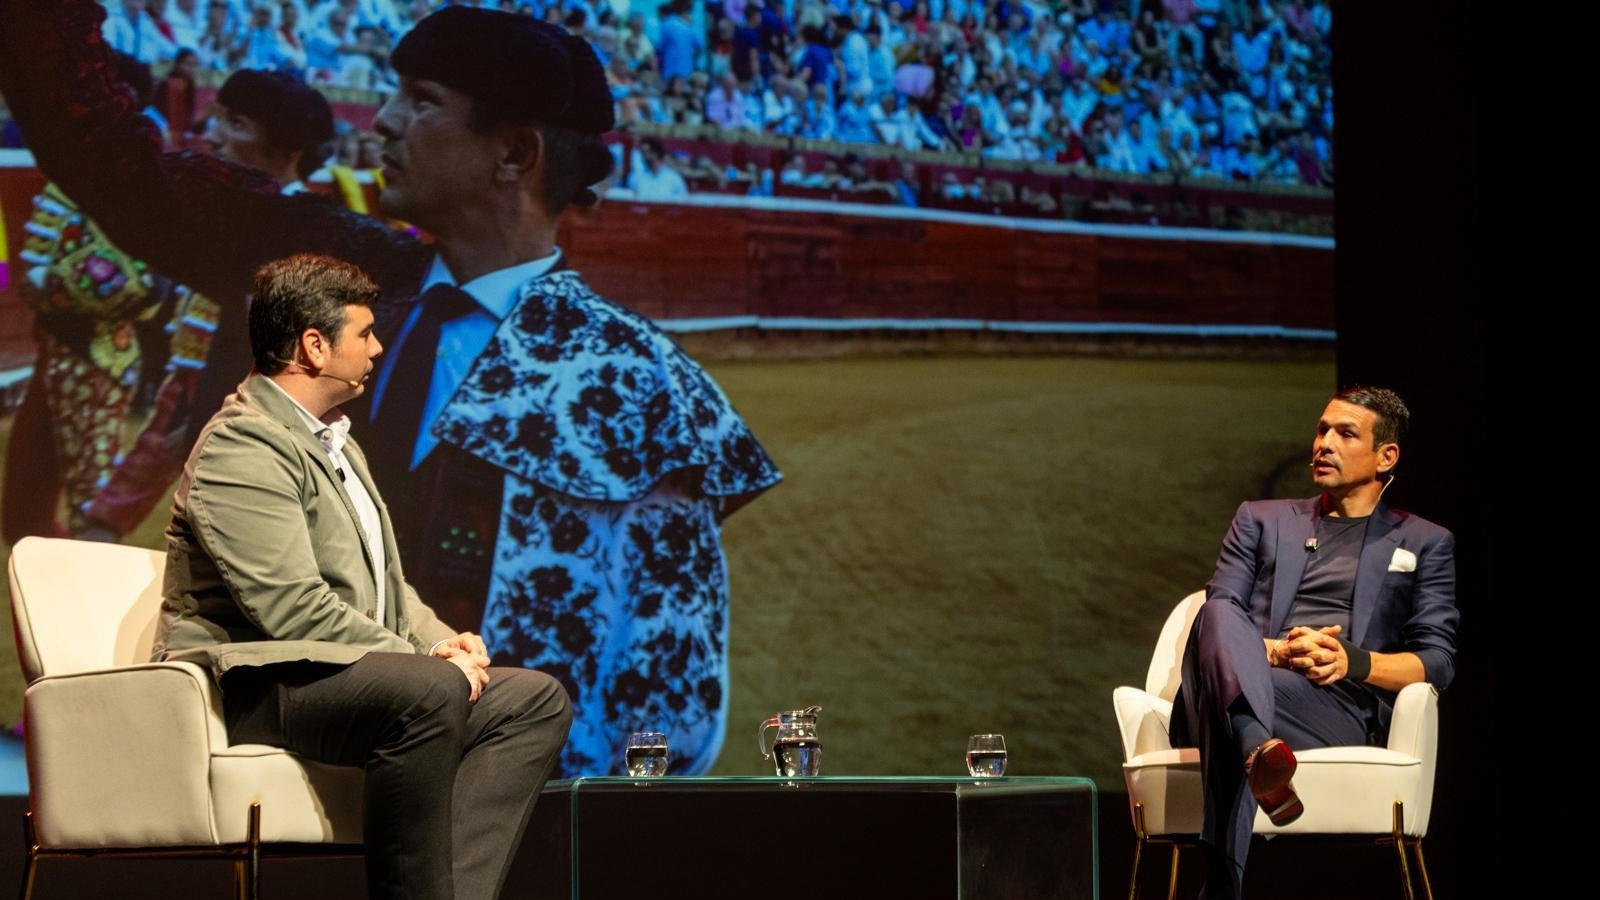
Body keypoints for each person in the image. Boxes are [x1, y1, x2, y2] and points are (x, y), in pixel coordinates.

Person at [0, 1, 781, 778]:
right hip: (282, 774)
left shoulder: (635, 382)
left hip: (488, 808)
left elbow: (667, 683)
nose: (382, 121)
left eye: (422, 100)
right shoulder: (342, 274)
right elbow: (123, 172)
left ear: (514, 153)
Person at [155, 253, 570, 900]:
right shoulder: (243, 446)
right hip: (263, 679)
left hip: (340, 671)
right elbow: (292, 610)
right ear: (314, 347)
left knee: (531, 700)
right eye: (366, 334)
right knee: (431, 692)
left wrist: (438, 641)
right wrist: (424, 664)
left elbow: (386, 583)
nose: (378, 348)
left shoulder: (337, 443)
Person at [1170, 386, 1459, 900]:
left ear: (1385, 456)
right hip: (1241, 678)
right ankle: (1258, 747)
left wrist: (1353, 661)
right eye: (1321, 429)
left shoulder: (1425, 542)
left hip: (1330, 710)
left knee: (1230, 714)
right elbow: (1222, 613)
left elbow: (1437, 662)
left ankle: (1223, 870)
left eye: (1345, 433)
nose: (1323, 442)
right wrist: (1276, 652)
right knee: (1216, 611)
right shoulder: (1259, 519)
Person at [79, 67, 338, 541]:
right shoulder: (239, 220)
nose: (214, 138)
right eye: (218, 119)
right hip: (197, 405)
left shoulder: (310, 234)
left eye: (236, 124)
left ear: (286, 152)